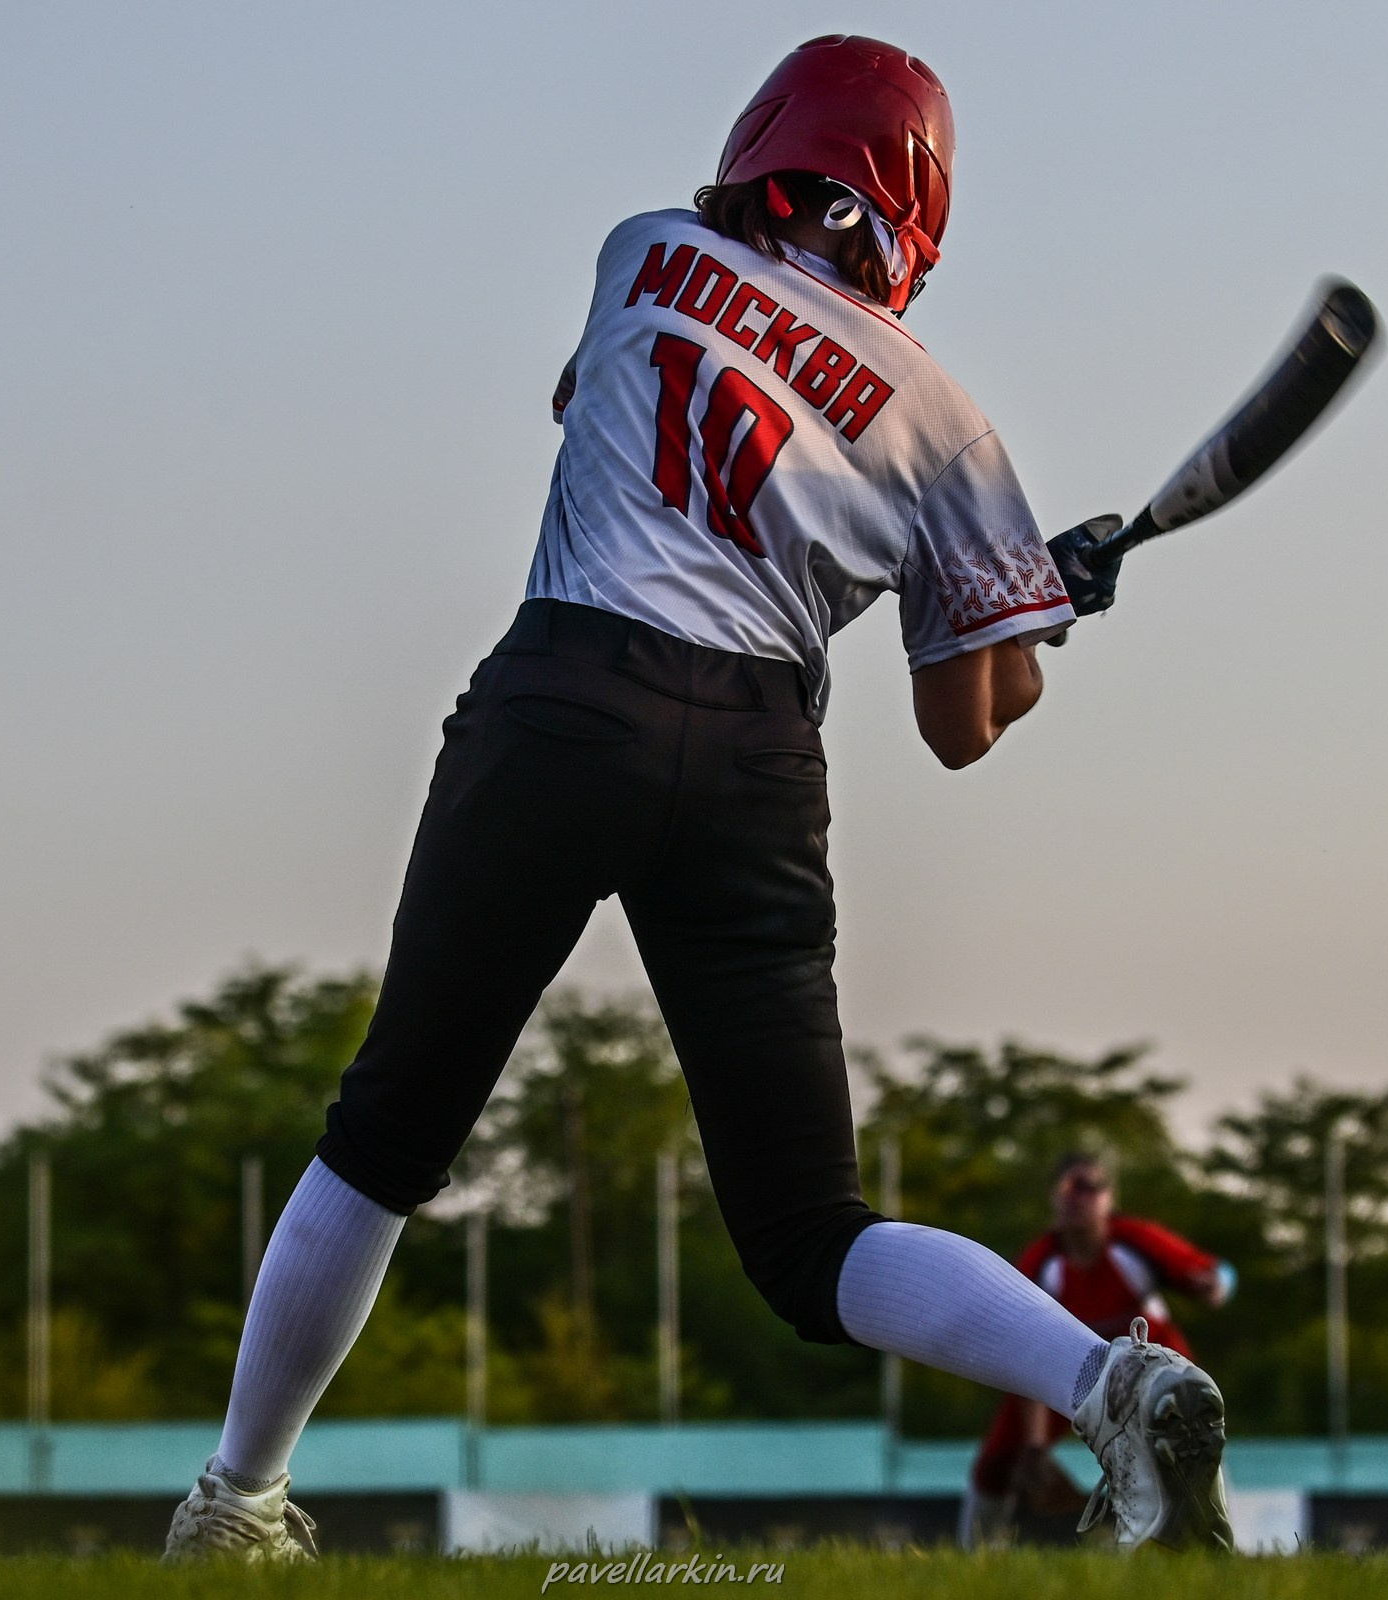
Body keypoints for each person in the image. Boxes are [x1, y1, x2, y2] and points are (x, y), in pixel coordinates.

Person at [165, 35, 1233, 1562]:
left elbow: (616, 420)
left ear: (768, 154)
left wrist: (1008, 589)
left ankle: (238, 1503)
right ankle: (1112, 1384)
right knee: (808, 1230)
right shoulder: (951, 423)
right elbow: (966, 728)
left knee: (389, 1132)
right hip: (752, 768)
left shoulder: (642, 252)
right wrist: (1029, 604)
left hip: (568, 702)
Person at [962, 1152, 1236, 1547]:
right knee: (998, 1460)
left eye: (1089, 1186)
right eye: (1066, 1187)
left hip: (1147, 1368)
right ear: (1053, 1200)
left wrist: (1214, 1285)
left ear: (1109, 1198)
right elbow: (1024, 1352)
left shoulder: (1134, 1242)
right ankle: (976, 1553)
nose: (1077, 1196)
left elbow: (1219, 1272)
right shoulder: (1043, 1261)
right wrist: (1035, 1446)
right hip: (1073, 1369)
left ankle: (1218, 1540)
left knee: (1195, 1440)